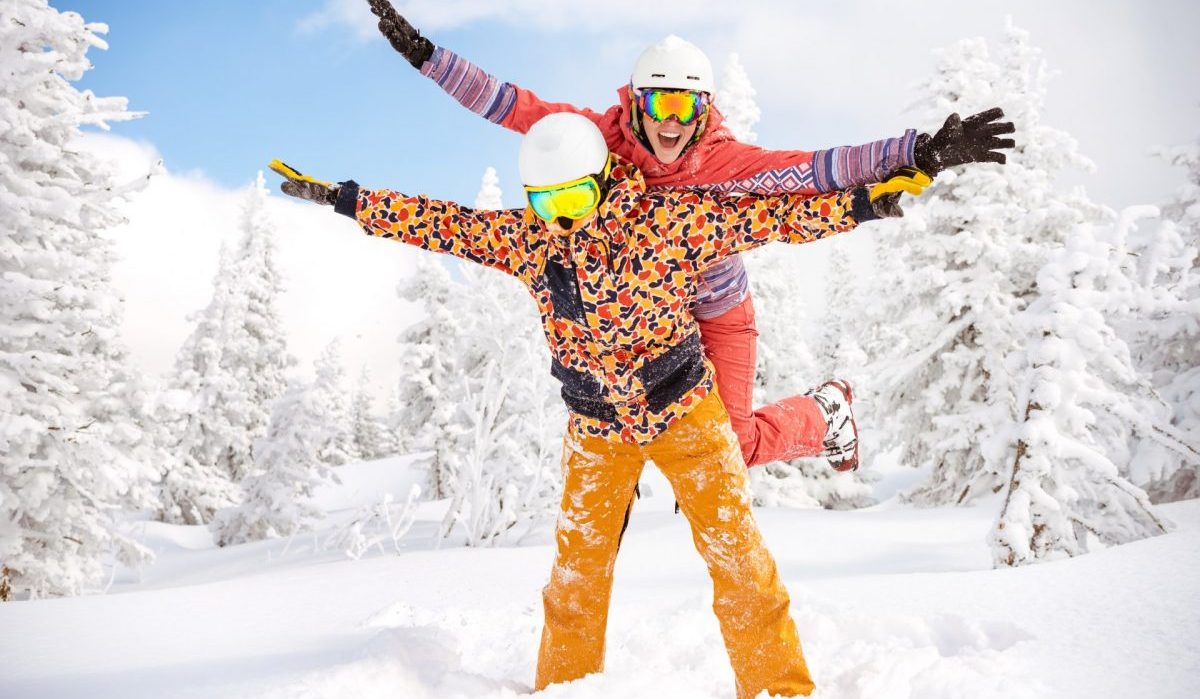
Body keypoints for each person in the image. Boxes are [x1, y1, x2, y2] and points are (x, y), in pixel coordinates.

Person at [273, 112, 923, 698]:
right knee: (576, 574)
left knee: (737, 557)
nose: (561, 218)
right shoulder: (530, 242)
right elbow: (446, 225)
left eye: (574, 198)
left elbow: (767, 217)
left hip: (684, 412)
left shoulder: (670, 223)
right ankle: (567, 689)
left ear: (607, 179)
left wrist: (863, 204)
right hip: (596, 428)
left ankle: (780, 689)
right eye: (544, 201)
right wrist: (348, 199)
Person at [363, 0, 1015, 473]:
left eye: (686, 107)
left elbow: (825, 168)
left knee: (729, 446)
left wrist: (920, 150)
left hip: (716, 308)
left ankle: (825, 413)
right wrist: (427, 57)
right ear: (635, 104)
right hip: (642, 314)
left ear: (704, 109)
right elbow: (511, 106)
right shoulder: (602, 137)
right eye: (658, 105)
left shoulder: (724, 162)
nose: (671, 123)